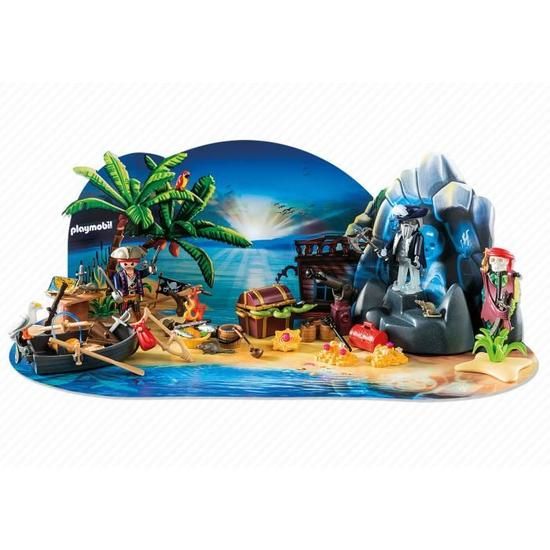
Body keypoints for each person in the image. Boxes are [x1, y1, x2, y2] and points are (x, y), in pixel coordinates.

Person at [378, 204, 428, 294]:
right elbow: (390, 243)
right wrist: (385, 250)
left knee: (414, 271)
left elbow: (418, 247)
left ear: (417, 224)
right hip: (401, 257)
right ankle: (400, 284)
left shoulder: (418, 236)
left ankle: (415, 286)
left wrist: (417, 258)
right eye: (405, 222)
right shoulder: (398, 234)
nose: (407, 225)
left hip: (412, 258)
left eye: (411, 222)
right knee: (402, 271)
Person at [480, 247, 520, 333]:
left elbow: (514, 298)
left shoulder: (511, 279)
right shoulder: (489, 277)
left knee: (501, 328)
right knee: (490, 326)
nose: (496, 264)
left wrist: (508, 309)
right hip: (490, 307)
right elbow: (485, 293)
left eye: (500, 260)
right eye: (493, 260)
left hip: (503, 309)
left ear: (507, 262)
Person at [110, 246, 156, 317]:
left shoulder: (137, 273)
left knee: (136, 310)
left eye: (132, 264)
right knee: (123, 311)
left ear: (136, 262)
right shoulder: (118, 275)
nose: (129, 266)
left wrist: (150, 269)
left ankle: (138, 320)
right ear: (120, 263)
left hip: (135, 295)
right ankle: (123, 321)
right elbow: (117, 286)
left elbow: (144, 273)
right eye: (125, 264)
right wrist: (119, 291)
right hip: (124, 297)